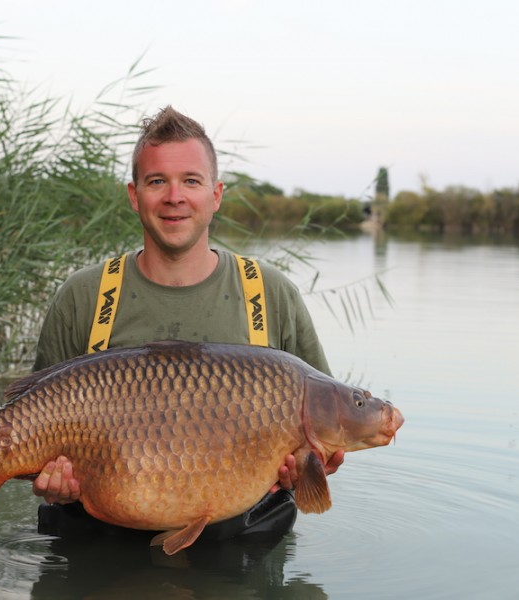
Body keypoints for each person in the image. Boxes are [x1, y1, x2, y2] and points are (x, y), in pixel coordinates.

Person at [31, 105, 344, 542]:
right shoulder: (83, 297)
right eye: (157, 181)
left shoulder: (271, 294)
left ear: (216, 195)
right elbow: (35, 427)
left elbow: (325, 433)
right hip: (98, 544)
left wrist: (313, 467)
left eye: (191, 181)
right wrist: (53, 484)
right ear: (134, 195)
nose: (174, 196)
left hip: (241, 546)